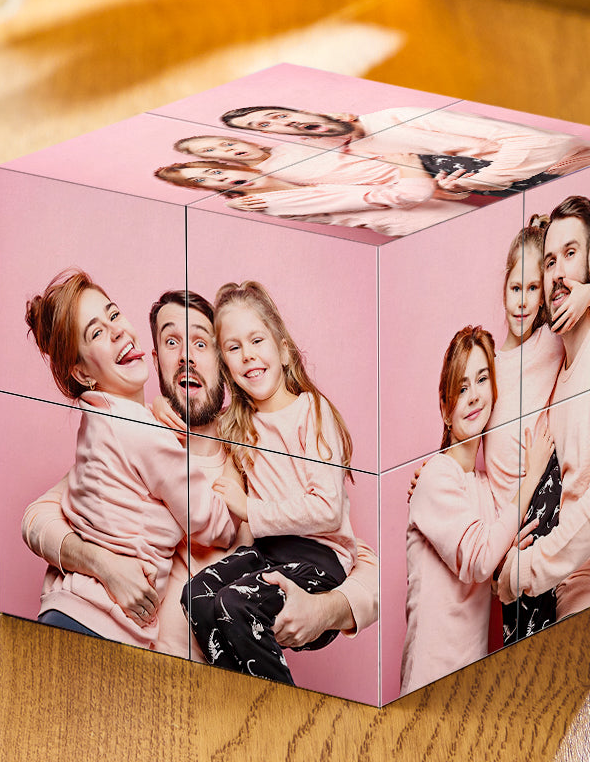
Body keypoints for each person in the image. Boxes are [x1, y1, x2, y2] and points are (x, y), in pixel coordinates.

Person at [22, 288, 380, 660]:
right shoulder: (130, 440)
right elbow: (37, 517)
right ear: (156, 359)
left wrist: (326, 610)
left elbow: (355, 556)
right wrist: (105, 565)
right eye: (172, 341)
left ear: (224, 363)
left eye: (202, 343)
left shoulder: (254, 449)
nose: (187, 356)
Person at [22, 270, 236, 648]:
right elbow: (35, 518)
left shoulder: (99, 422)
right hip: (100, 627)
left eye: (115, 315)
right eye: (96, 332)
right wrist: (104, 565)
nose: (118, 331)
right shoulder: (145, 433)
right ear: (82, 372)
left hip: (69, 614)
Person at [182, 281, 358, 684]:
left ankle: (280, 705)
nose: (248, 356)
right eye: (233, 347)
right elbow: (197, 425)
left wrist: (249, 509)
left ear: (282, 349)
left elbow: (328, 509)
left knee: (232, 604)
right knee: (197, 594)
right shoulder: (239, 427)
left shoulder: (311, 411)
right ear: (226, 366)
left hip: (318, 561)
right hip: (267, 556)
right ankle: (235, 693)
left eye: (256, 340)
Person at [497, 196, 590, 619]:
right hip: (547, 591)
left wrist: (521, 570)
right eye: (549, 262)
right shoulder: (557, 371)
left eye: (571, 254)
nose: (558, 273)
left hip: (586, 587)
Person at [400, 326, 554, 695]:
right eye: (461, 387)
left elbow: (500, 560)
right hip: (428, 685)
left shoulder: (486, 487)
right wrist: (532, 477)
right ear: (444, 407)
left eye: (482, 380)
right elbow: (483, 558)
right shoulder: (435, 476)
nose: (472, 397)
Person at [482, 217, 590, 643]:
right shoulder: (488, 365)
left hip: (544, 501)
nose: (522, 302)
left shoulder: (550, 340)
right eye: (516, 288)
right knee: (514, 634)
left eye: (533, 290)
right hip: (505, 519)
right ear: (504, 285)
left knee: (542, 624)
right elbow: (462, 431)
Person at [219, 104, 590, 194]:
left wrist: (483, 178)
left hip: (579, 169)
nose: (282, 125)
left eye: (277, 115)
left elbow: (532, 144)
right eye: (266, 128)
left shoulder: (396, 118)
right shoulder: (352, 161)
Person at [154, 158, 475, 237]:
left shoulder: (284, 165)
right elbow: (400, 194)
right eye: (201, 181)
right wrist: (409, 165)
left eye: (210, 169)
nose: (216, 177)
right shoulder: (267, 203)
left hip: (447, 206)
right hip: (421, 226)